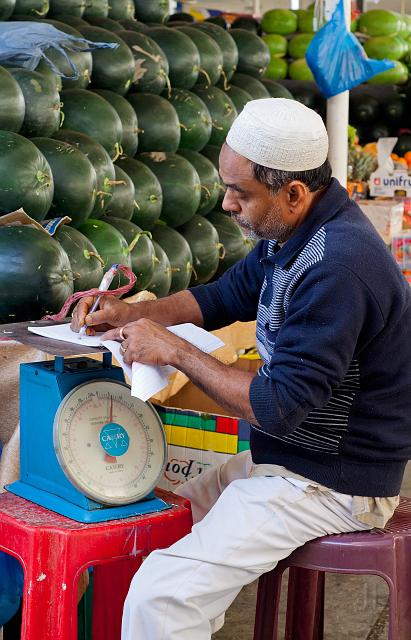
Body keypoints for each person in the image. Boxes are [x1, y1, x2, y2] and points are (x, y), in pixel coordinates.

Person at [71, 98, 411, 640]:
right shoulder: (293, 234)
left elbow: (277, 407)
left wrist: (176, 351)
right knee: (162, 522)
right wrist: (134, 314)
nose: (227, 204)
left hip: (333, 481)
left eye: (241, 192)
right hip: (290, 462)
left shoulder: (340, 268)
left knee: (163, 596)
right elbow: (222, 295)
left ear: (293, 193)